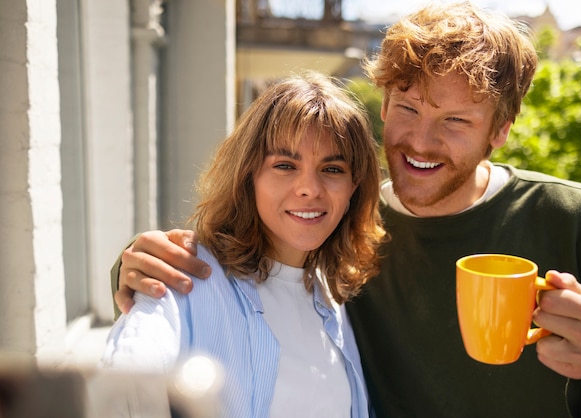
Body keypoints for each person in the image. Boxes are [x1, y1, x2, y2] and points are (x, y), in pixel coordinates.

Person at [111, 3, 581, 417]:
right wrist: (135, 266)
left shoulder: (574, 217)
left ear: (500, 130)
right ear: (383, 105)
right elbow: (244, 276)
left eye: (455, 121)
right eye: (408, 109)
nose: (421, 142)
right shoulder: (346, 227)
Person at [101, 72, 386, 418]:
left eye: (333, 168)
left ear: (354, 186)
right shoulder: (184, 278)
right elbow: (123, 388)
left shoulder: (337, 300)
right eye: (285, 165)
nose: (309, 188)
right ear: (248, 174)